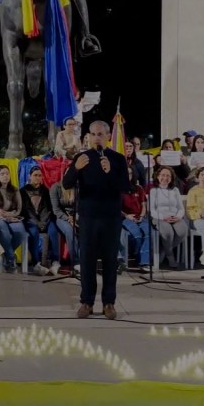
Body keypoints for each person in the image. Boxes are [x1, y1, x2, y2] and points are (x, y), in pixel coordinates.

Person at [63, 120, 129, 320]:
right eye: (92, 134)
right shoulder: (83, 157)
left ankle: (109, 303)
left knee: (110, 261)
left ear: (108, 136)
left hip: (110, 216)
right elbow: (66, 183)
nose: (96, 138)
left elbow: (125, 186)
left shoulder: (117, 159)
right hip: (89, 216)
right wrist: (75, 168)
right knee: (87, 260)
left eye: (100, 134)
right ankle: (87, 302)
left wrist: (110, 172)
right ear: (88, 137)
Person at [0, 165, 28, 273]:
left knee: (21, 232)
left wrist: (8, 216)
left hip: (11, 217)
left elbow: (18, 209)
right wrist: (3, 217)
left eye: (7, 174)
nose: (5, 176)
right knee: (2, 226)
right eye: (2, 174)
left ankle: (6, 256)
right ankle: (11, 258)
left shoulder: (14, 190)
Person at [150, 166, 187, 270]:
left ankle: (163, 252)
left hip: (175, 217)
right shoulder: (154, 191)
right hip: (159, 217)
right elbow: (152, 210)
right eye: (163, 175)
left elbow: (181, 208)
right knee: (168, 233)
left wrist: (178, 216)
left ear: (171, 178)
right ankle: (170, 256)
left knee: (182, 231)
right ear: (158, 176)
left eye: (168, 176)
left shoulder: (175, 190)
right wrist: (163, 217)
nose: (165, 178)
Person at [20, 166, 53, 275]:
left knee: (53, 229)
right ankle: (36, 263)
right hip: (29, 221)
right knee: (33, 231)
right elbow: (26, 211)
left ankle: (54, 261)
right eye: (35, 175)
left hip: (43, 221)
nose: (37, 178)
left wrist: (43, 222)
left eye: (39, 175)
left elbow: (47, 209)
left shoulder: (45, 191)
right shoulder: (23, 191)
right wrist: (37, 223)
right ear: (30, 176)